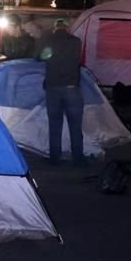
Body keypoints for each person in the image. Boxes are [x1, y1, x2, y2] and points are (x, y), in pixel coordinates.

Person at [37, 19, 85, 166]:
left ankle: (54, 158)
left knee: (55, 124)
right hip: (71, 88)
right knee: (75, 125)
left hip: (53, 88)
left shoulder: (48, 40)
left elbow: (39, 57)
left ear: (55, 28)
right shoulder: (76, 42)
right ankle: (78, 158)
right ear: (67, 28)